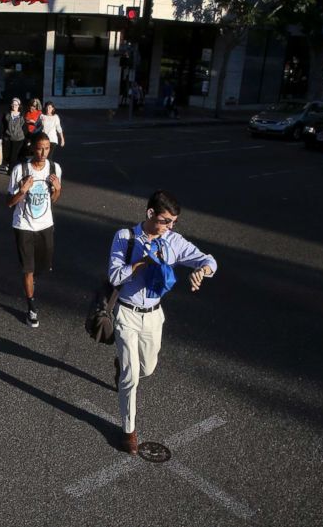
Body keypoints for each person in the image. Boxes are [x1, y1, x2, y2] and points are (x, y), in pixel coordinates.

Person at [108, 190, 218, 455]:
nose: (170, 226)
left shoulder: (173, 241)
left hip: (154, 315)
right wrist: (138, 265)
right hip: (127, 313)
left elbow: (209, 260)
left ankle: (121, 366)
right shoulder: (125, 238)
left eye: (174, 222)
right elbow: (113, 277)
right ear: (150, 214)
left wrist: (201, 271)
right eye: (166, 220)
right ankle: (129, 431)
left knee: (147, 368)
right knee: (131, 377)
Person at [6, 133, 62, 328]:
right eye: (40, 148)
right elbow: (9, 203)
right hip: (23, 226)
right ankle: (31, 307)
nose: (43, 152)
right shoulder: (20, 170)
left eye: (47, 148)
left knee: (44, 265)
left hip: (45, 225)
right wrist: (22, 191)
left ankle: (30, 279)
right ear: (33, 148)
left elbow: (53, 200)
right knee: (28, 269)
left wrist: (57, 189)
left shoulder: (54, 169)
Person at [0, 98, 26, 174]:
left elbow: (24, 127)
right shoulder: (6, 114)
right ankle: (9, 164)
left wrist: (26, 139)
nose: (14, 106)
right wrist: (1, 137)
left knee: (13, 155)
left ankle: (10, 170)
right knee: (6, 154)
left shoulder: (22, 115)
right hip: (8, 137)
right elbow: (2, 126)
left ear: (19, 106)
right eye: (13, 104)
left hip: (18, 138)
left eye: (16, 104)